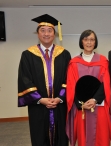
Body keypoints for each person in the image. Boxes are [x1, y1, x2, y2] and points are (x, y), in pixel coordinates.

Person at [18, 14, 71, 146]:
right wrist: (40, 99)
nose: (46, 34)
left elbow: (69, 78)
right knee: (39, 135)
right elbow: (25, 79)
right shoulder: (28, 55)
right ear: (37, 33)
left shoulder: (64, 54)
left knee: (61, 135)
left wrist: (60, 97)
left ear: (54, 33)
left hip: (60, 105)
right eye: (43, 30)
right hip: (38, 105)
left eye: (50, 30)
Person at [66, 29, 111, 146]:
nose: (89, 42)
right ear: (81, 42)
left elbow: (107, 83)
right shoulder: (74, 63)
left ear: (95, 42)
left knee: (101, 135)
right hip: (82, 108)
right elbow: (71, 86)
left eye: (92, 39)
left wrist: (95, 99)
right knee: (84, 136)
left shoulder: (103, 61)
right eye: (86, 39)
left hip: (100, 106)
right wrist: (80, 104)